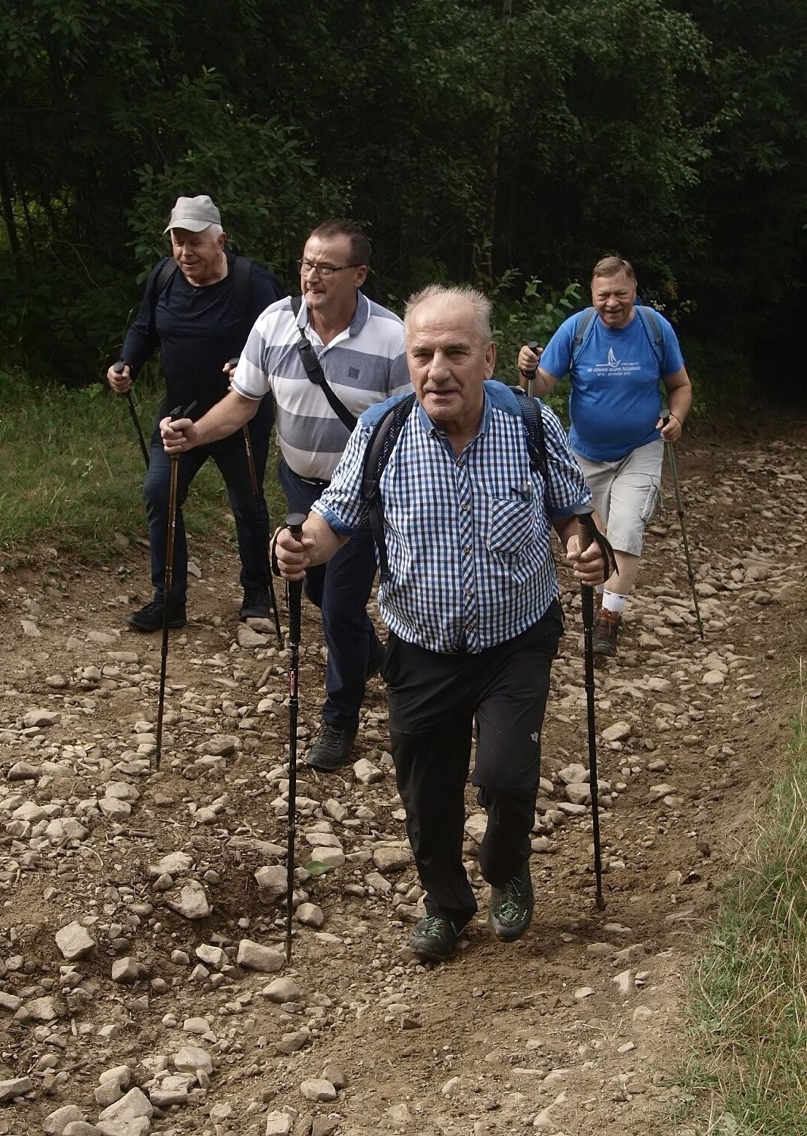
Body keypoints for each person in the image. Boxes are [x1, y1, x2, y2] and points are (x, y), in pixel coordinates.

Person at [273, 284, 606, 963]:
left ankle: (507, 865)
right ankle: (445, 906)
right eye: (422, 353)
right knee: (426, 792)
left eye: (455, 352)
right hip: (420, 645)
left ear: (486, 359)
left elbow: (571, 510)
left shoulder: (530, 424)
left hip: (516, 636)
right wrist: (301, 546)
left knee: (507, 775)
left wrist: (582, 547)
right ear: (408, 358)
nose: (437, 369)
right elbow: (334, 518)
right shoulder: (382, 430)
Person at [160, 219, 412, 770]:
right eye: (306, 263)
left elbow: (411, 426)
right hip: (298, 483)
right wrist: (195, 433)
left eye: (326, 267)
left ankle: (339, 719)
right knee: (323, 593)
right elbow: (244, 401)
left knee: (339, 606)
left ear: (359, 274)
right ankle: (372, 653)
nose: (311, 276)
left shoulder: (393, 338)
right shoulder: (274, 323)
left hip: (363, 496)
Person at [106, 194, 280, 632]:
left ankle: (257, 593)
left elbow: (280, 342)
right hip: (179, 417)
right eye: (178, 242)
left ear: (220, 240)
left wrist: (249, 363)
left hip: (238, 417)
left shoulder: (251, 283)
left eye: (195, 242)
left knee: (248, 504)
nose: (185, 252)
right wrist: (126, 363)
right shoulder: (164, 277)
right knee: (159, 493)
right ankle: (169, 600)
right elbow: (144, 328)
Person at [517, 255, 692, 656]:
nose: (612, 303)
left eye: (620, 294)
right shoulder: (577, 329)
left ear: (634, 292)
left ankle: (608, 620)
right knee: (590, 536)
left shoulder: (654, 328)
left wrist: (677, 418)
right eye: (603, 295)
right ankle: (597, 602)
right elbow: (540, 387)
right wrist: (527, 369)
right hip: (583, 453)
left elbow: (679, 385)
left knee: (627, 526)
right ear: (592, 295)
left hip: (641, 447)